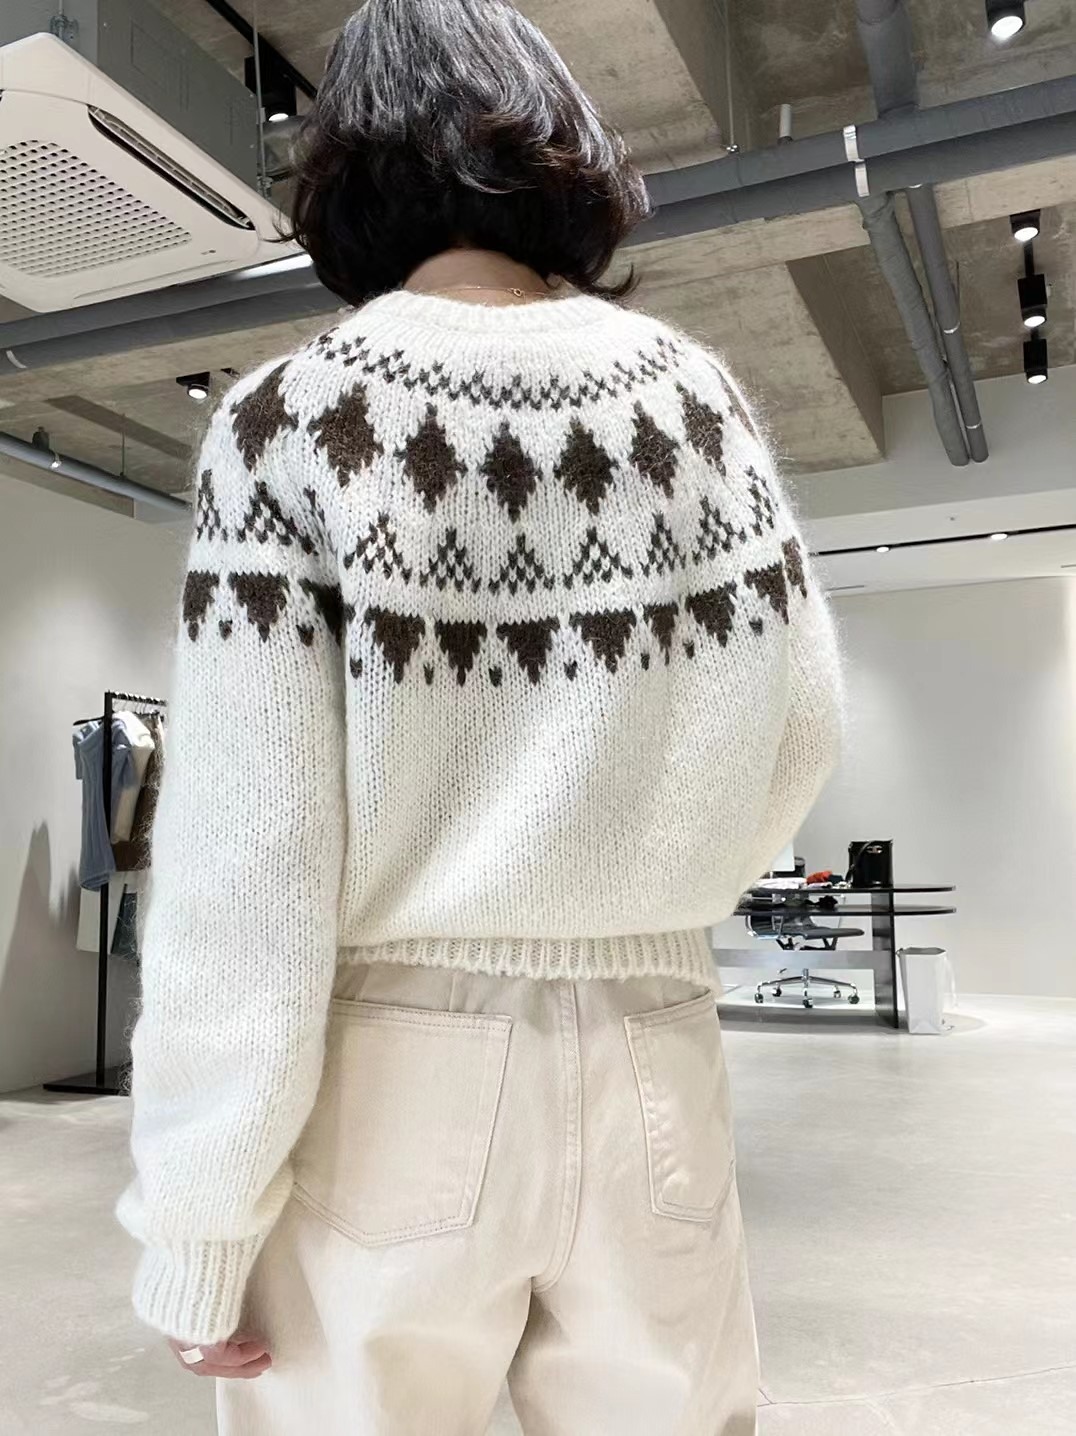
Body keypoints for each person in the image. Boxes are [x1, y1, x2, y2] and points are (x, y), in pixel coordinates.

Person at [115, 1, 842, 1432]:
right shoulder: (696, 405)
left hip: (389, 1075)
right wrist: (642, 879)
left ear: (347, 165)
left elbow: (247, 861)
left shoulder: (291, 420)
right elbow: (801, 727)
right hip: (653, 1042)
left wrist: (200, 1217)